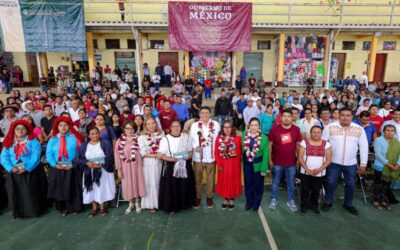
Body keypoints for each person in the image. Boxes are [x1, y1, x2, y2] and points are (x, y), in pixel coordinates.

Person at [321, 107, 368, 215]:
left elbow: (364, 147)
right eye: (342, 115)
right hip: (333, 162)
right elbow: (323, 144)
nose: (345, 118)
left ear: (352, 117)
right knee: (331, 182)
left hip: (351, 163)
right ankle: (328, 201)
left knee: (351, 184)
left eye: (348, 115)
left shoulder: (359, 129)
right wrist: (323, 160)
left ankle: (348, 203)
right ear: (338, 116)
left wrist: (363, 164)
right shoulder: (330, 127)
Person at [0, 120, 47, 218]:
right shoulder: (9, 141)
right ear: (14, 130)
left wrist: (27, 167)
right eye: (17, 129)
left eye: (23, 128)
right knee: (15, 191)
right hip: (13, 170)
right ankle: (18, 211)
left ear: (27, 130)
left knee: (29, 191)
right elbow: (4, 157)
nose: (20, 130)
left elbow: (35, 157)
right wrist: (10, 168)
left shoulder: (33, 141)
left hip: (29, 170)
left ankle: (32, 211)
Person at [46, 117, 84, 216]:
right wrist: (55, 164)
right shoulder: (53, 139)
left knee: (73, 188)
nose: (63, 127)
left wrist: (74, 163)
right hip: (57, 167)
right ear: (57, 127)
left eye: (65, 125)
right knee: (60, 188)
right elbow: (49, 154)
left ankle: (75, 207)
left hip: (72, 167)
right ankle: (63, 208)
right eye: (60, 125)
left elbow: (80, 152)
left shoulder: (74, 138)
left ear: (69, 126)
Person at [77, 127, 115, 218]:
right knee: (92, 188)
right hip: (89, 171)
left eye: (97, 133)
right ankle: (94, 207)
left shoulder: (105, 143)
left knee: (102, 187)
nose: (95, 135)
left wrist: (101, 164)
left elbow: (109, 156)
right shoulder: (84, 145)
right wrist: (87, 163)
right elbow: (79, 159)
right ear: (88, 135)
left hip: (103, 170)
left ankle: (102, 207)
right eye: (92, 134)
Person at [269, 109, 302, 212]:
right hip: (277, 161)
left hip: (291, 162)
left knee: (291, 182)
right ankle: (274, 199)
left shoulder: (296, 129)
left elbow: (298, 145)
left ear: (292, 118)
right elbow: (270, 145)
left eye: (289, 116)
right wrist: (270, 159)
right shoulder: (274, 129)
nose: (286, 118)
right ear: (281, 117)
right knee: (275, 182)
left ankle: (291, 200)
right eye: (284, 116)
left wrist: (298, 160)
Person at [158, 120, 195, 214]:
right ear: (170, 128)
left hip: (185, 165)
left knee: (184, 185)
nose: (176, 128)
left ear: (181, 127)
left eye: (178, 126)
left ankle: (184, 205)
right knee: (172, 187)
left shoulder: (186, 137)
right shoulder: (165, 139)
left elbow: (190, 151)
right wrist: (172, 159)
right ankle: (172, 207)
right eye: (173, 126)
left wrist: (189, 156)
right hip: (171, 165)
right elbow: (161, 155)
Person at [189, 107, 221, 209]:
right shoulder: (194, 126)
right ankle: (198, 198)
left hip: (211, 157)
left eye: (207, 113)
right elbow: (191, 139)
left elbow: (218, 139)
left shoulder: (216, 125)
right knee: (197, 179)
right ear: (199, 114)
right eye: (202, 113)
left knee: (210, 179)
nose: (205, 115)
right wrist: (195, 147)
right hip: (198, 157)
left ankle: (209, 198)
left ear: (210, 114)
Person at [298, 126, 332, 214]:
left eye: (318, 132)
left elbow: (328, 160)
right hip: (305, 171)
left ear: (321, 133)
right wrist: (307, 169)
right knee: (305, 189)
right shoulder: (304, 142)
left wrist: (319, 170)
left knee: (316, 190)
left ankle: (314, 206)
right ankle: (304, 205)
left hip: (320, 173)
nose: (316, 134)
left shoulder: (327, 144)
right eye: (314, 132)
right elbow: (300, 157)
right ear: (310, 133)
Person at [115, 121, 146, 214]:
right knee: (127, 183)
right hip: (125, 166)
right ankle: (130, 202)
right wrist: (119, 170)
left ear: (135, 129)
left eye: (132, 128)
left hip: (137, 165)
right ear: (124, 129)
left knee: (137, 182)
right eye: (127, 128)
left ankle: (137, 202)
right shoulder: (119, 141)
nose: (129, 130)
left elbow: (143, 152)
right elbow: (117, 156)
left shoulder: (138, 139)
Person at [214, 120, 242, 210]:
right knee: (224, 180)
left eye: (229, 127)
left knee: (232, 180)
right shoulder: (219, 138)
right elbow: (216, 152)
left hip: (234, 164)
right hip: (223, 164)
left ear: (232, 128)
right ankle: (225, 198)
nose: (227, 129)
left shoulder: (237, 138)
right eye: (225, 127)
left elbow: (240, 152)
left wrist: (237, 164)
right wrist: (219, 164)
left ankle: (232, 198)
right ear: (222, 128)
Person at [242, 118, 269, 211]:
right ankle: (249, 202)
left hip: (259, 165)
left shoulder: (264, 138)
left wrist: (264, 169)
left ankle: (256, 203)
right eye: (252, 125)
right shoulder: (244, 134)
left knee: (258, 185)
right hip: (247, 165)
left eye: (256, 125)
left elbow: (266, 155)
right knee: (248, 184)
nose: (253, 127)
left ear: (259, 127)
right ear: (249, 126)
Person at [138, 118, 164, 213]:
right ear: (146, 126)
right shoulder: (141, 138)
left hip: (160, 162)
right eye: (149, 124)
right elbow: (143, 153)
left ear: (156, 124)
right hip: (148, 163)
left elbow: (164, 149)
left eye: (153, 123)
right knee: (150, 182)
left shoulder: (161, 135)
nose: (151, 125)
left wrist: (160, 155)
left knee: (159, 182)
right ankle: (151, 204)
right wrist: (156, 155)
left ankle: (160, 202)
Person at [372, 124, 400, 210]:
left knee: (386, 185)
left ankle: (383, 200)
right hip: (380, 166)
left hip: (393, 168)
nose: (390, 132)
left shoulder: (396, 141)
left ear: (395, 132)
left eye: (392, 131)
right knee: (378, 184)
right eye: (387, 130)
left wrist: (398, 164)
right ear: (383, 131)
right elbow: (378, 155)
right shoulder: (378, 140)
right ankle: (376, 200)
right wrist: (390, 165)